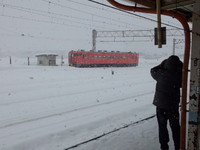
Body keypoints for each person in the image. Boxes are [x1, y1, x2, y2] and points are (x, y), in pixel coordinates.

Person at [150, 55, 183, 150]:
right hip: (173, 106)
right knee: (176, 128)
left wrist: (162, 65)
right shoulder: (179, 75)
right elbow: (181, 84)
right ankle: (178, 146)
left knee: (162, 128)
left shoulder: (160, 73)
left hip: (160, 106)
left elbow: (152, 70)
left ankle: (164, 147)